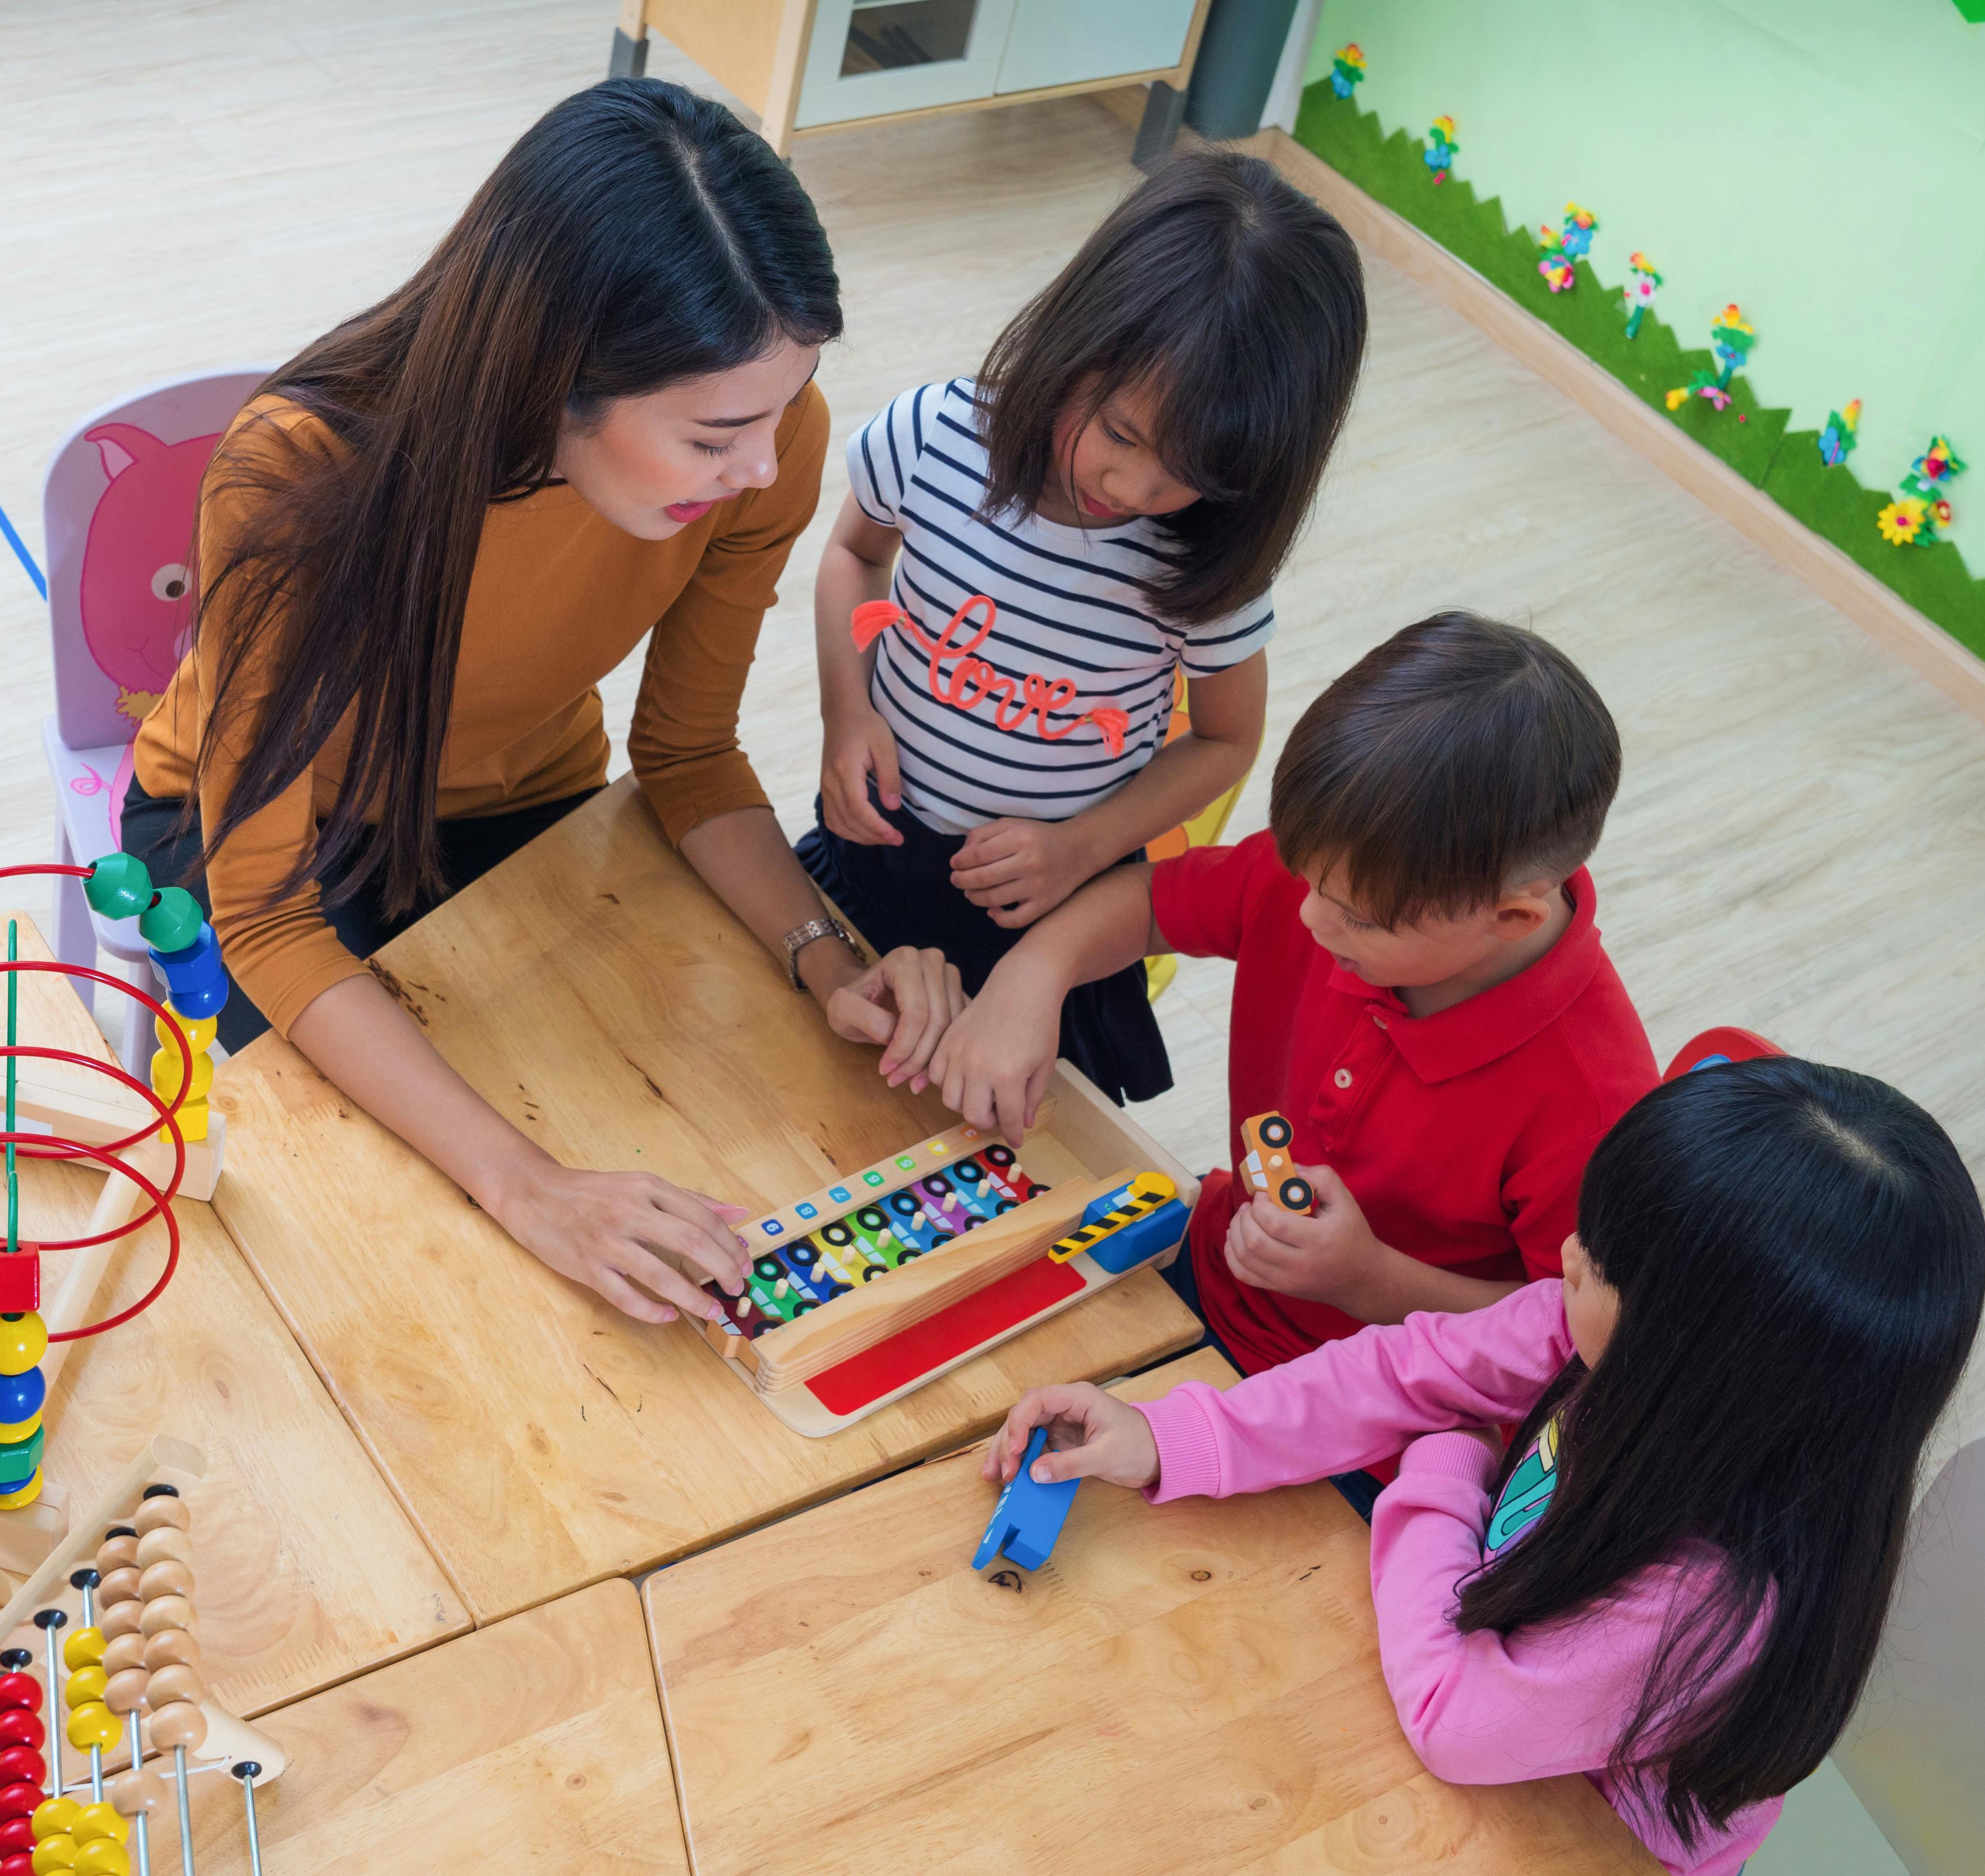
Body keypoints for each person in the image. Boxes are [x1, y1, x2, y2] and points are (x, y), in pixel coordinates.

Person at [123, 80, 962, 1328]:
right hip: (250, 843)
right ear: (554, 378)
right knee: (356, 1256)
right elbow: (265, 918)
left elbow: (685, 753)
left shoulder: (761, 455)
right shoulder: (295, 471)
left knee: (668, 1120)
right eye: (715, 432)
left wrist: (823, 957)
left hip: (528, 801)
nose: (767, 467)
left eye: (786, 408)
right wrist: (528, 1188)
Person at [988, 1055, 1985, 1876]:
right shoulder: (1595, 1330)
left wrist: (1442, 1466)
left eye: (1595, 1263)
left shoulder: (1703, 1601)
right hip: (1492, 1692)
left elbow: (1456, 1721)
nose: (1562, 1258)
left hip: (1596, 1872)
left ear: (1694, 1357)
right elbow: (1399, 1371)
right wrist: (1172, 1436)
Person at [928, 615, 1656, 1477]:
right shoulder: (1355, 870)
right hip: (1205, 1272)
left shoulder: (1595, 1097)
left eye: (1354, 918)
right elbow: (1158, 903)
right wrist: (1031, 975)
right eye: (1307, 880)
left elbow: (1566, 1337)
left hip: (1386, 1431)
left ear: (1513, 918)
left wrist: (1368, 1279)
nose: (1308, 917)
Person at [803, 149, 1366, 1103]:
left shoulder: (1202, 564)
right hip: (871, 855)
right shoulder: (933, 437)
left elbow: (1228, 740)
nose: (1133, 490)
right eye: (1119, 433)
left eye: (1189, 470)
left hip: (1046, 906)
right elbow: (852, 557)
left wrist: (1083, 845)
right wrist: (844, 712)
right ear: (1074, 335)